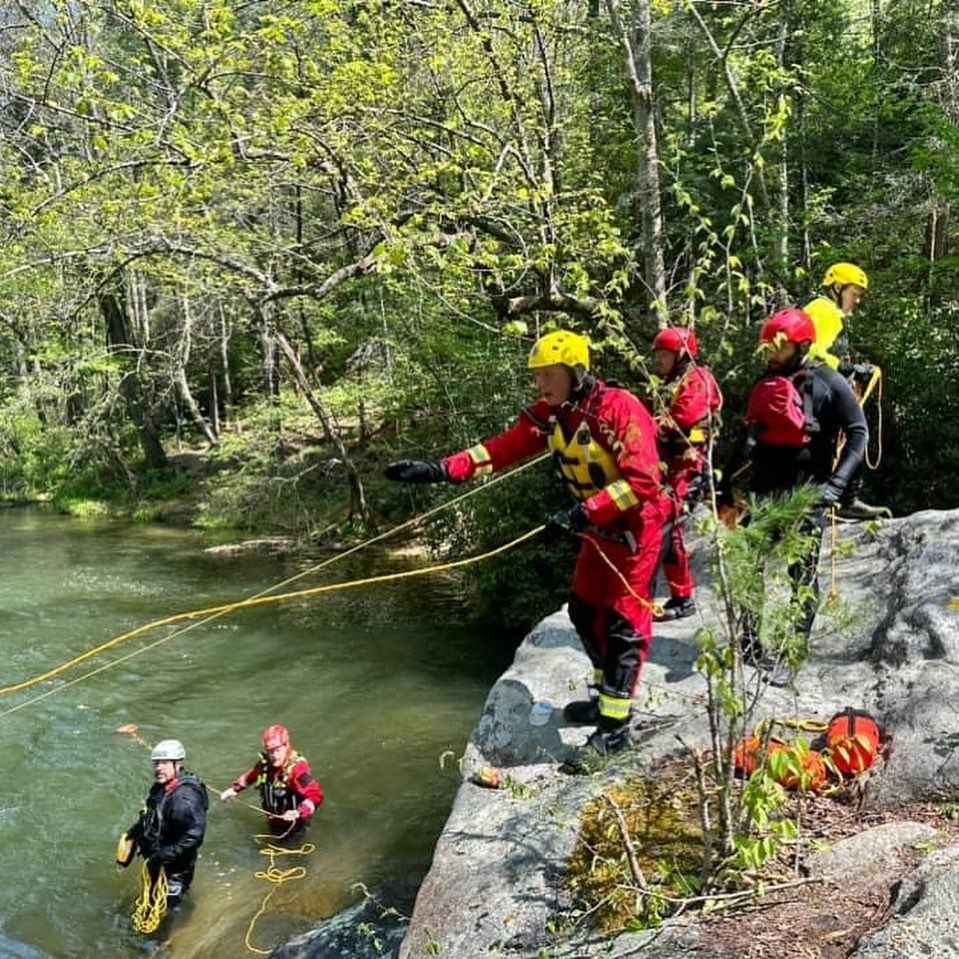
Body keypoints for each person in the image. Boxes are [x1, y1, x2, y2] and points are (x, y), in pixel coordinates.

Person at [385, 329, 670, 767]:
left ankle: (616, 730)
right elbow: (500, 450)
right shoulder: (554, 415)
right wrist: (440, 470)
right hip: (598, 532)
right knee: (583, 611)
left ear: (575, 371)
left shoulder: (618, 409)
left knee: (622, 625)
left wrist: (584, 512)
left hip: (636, 533)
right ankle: (604, 698)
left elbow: (644, 483)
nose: (542, 384)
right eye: (537, 376)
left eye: (549, 374)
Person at [721, 307, 867, 685]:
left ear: (801, 345)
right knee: (748, 569)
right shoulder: (765, 382)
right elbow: (747, 437)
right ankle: (751, 646)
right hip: (763, 493)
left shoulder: (828, 381)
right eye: (768, 347)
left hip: (807, 494)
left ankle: (792, 653)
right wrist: (724, 485)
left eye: (778, 347)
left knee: (802, 577)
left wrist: (837, 486)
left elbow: (858, 432)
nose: (771, 353)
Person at [647, 327, 722, 621]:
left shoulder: (698, 378)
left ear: (680, 354)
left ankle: (681, 597)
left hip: (689, 466)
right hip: (668, 466)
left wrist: (645, 427)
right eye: (657, 355)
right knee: (664, 528)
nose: (658, 360)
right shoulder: (671, 382)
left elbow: (684, 418)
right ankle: (677, 595)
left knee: (670, 530)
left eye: (664, 354)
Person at [804, 262, 885, 520]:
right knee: (857, 431)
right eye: (855, 293)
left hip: (815, 389)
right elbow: (813, 353)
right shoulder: (824, 310)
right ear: (837, 287)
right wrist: (850, 368)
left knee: (841, 437)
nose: (858, 300)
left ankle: (844, 496)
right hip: (815, 388)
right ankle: (842, 497)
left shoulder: (823, 309)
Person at [121, 739, 207, 909]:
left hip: (174, 871)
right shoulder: (161, 788)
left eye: (165, 763)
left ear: (178, 764)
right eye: (156, 763)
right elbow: (150, 815)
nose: (159, 767)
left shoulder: (184, 799)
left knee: (163, 916)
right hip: (156, 863)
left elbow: (194, 837)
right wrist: (134, 834)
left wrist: (161, 856)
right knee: (150, 903)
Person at [220, 724, 323, 833]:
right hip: (273, 820)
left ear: (286, 746)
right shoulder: (266, 764)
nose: (274, 755)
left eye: (277, 750)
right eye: (270, 751)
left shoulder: (297, 769)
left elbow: (316, 795)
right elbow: (251, 775)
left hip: (295, 825)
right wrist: (234, 790)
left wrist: (298, 812)